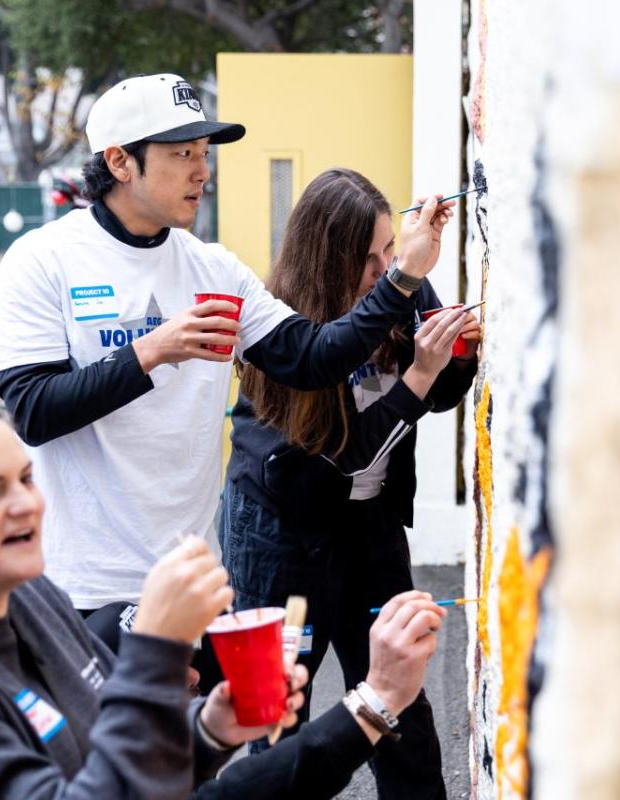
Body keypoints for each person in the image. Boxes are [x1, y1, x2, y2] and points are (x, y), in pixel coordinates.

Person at [0, 364, 450, 799]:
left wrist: (209, 729)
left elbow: (124, 763)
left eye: (25, 478)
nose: (25, 504)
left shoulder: (28, 598)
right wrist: (156, 651)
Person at [0, 73, 455, 623]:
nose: (201, 171)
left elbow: (313, 358)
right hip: (80, 586)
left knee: (220, 713)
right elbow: (34, 411)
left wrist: (401, 278)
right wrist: (152, 350)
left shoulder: (213, 268)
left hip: (194, 582)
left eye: (204, 152)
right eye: (182, 153)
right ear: (119, 162)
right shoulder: (42, 261)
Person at [221, 169, 479, 799]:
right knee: (278, 718)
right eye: (369, 260)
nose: (386, 268)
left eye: (391, 250)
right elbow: (351, 457)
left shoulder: (398, 285)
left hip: (370, 531)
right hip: (279, 537)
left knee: (404, 713)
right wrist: (419, 372)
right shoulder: (279, 333)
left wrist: (455, 354)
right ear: (327, 264)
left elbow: (441, 390)